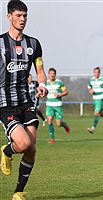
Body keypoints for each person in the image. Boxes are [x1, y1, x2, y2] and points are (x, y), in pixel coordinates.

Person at [0, 1, 48, 199]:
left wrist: (43, 85)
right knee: (23, 143)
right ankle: (7, 150)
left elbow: (40, 71)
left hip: (26, 101)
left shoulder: (34, 44)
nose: (22, 19)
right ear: (9, 16)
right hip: (5, 102)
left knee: (32, 148)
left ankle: (18, 192)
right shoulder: (0, 43)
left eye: (25, 16)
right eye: (18, 15)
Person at [45, 68, 70, 144]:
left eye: (53, 74)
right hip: (49, 105)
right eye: (50, 74)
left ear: (55, 75)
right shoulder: (46, 83)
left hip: (58, 105)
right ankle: (52, 138)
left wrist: (59, 94)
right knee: (49, 120)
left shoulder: (59, 83)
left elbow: (66, 92)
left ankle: (64, 125)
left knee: (58, 124)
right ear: (48, 74)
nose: (52, 75)